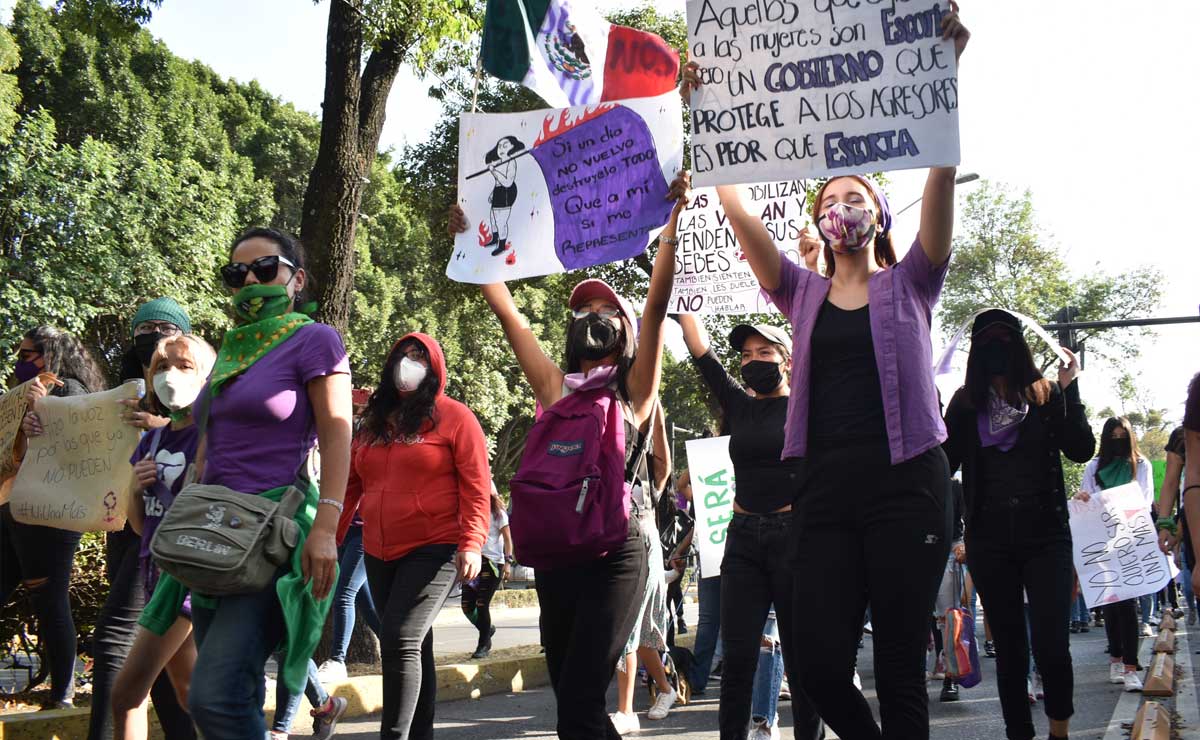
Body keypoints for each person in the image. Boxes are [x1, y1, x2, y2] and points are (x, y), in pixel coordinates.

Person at [682, 8, 969, 734]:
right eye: (830, 199)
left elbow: (940, 184)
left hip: (907, 484)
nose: (843, 207)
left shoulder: (913, 279)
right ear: (818, 220)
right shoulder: (799, 290)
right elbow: (740, 216)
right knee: (815, 665)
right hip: (824, 489)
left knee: (898, 666)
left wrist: (945, 85)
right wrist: (708, 117)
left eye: (856, 197)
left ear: (879, 214)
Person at [447, 166, 684, 739]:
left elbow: (655, 309)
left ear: (625, 330)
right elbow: (508, 313)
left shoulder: (635, 392)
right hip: (558, 555)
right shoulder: (554, 388)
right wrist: (470, 239)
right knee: (574, 705)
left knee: (579, 703)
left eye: (605, 313)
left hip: (617, 552)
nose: (591, 320)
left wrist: (671, 227)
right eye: (582, 313)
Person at [137, 227, 353, 739]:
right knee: (235, 695)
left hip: (269, 540)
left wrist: (326, 527)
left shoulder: (315, 340)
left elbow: (338, 433)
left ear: (297, 279)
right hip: (211, 535)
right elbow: (207, 444)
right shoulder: (232, 350)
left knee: (214, 698)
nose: (250, 280)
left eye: (265, 268)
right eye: (237, 273)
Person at [943, 309, 1093, 740]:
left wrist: (1071, 389)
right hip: (990, 539)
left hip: (1046, 535)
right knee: (1009, 650)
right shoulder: (964, 405)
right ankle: (1019, 734)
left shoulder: (1045, 396)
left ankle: (1059, 731)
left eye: (1005, 339)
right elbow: (944, 464)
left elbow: (1081, 449)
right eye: (987, 341)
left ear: (1021, 347)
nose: (997, 349)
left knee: (1051, 645)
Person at [674, 312, 823, 740]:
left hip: (794, 540)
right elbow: (701, 352)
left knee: (802, 659)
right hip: (741, 541)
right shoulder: (739, 406)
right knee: (738, 660)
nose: (753, 360)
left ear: (788, 360)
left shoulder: (808, 406)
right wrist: (681, 299)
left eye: (765, 352)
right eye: (745, 355)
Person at [338, 331, 491, 739]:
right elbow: (350, 485)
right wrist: (329, 536)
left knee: (399, 637)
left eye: (419, 356)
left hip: (435, 546)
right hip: (378, 549)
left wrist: (472, 542)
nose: (408, 362)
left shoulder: (456, 417)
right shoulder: (374, 423)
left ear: (435, 367)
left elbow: (477, 486)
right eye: (402, 354)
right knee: (415, 643)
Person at [90, 297, 197, 740]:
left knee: (117, 652)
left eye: (164, 328)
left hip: (180, 561)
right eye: (144, 328)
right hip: (137, 540)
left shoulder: (209, 428)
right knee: (185, 686)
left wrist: (162, 427)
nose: (153, 336)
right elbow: (136, 518)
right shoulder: (118, 394)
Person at [110, 333, 215, 739]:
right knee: (192, 695)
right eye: (162, 367)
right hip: (154, 571)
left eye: (183, 366)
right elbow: (140, 526)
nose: (170, 375)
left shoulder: (213, 439)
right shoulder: (153, 439)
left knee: (127, 695)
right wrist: (136, 489)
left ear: (207, 377)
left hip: (187, 577)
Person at [2, 326, 107, 709]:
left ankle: (63, 693)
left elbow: (79, 450)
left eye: (27, 354)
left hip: (50, 514)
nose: (19, 361)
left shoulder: (70, 391)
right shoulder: (23, 392)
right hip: (14, 506)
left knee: (49, 599)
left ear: (51, 355)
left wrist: (41, 412)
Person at [612, 404, 679, 733]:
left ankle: (626, 711)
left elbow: (664, 465)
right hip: (611, 544)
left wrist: (658, 414)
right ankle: (666, 689)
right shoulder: (603, 466)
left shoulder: (647, 472)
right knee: (637, 635)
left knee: (629, 628)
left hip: (643, 545)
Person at [1076, 417, 1153, 692]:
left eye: (1123, 436)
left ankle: (1131, 667)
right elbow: (1085, 497)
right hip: (1101, 539)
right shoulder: (1094, 466)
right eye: (1114, 437)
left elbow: (1144, 500)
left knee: (1128, 603)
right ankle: (1116, 660)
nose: (1118, 441)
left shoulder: (1141, 465)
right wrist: (1083, 498)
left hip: (1130, 539)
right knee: (1110, 603)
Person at [318, 390, 383, 681]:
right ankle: (397, 647)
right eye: (353, 409)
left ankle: (337, 659)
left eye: (360, 410)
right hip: (346, 530)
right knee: (364, 601)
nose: (357, 416)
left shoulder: (377, 444)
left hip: (365, 530)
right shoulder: (346, 442)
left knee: (343, 593)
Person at [462, 487, 514, 660]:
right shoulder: (470, 512)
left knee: (481, 604)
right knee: (467, 606)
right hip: (473, 562)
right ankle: (487, 629)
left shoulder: (498, 514)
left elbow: (508, 539)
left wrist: (508, 563)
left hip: (492, 564)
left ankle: (484, 644)